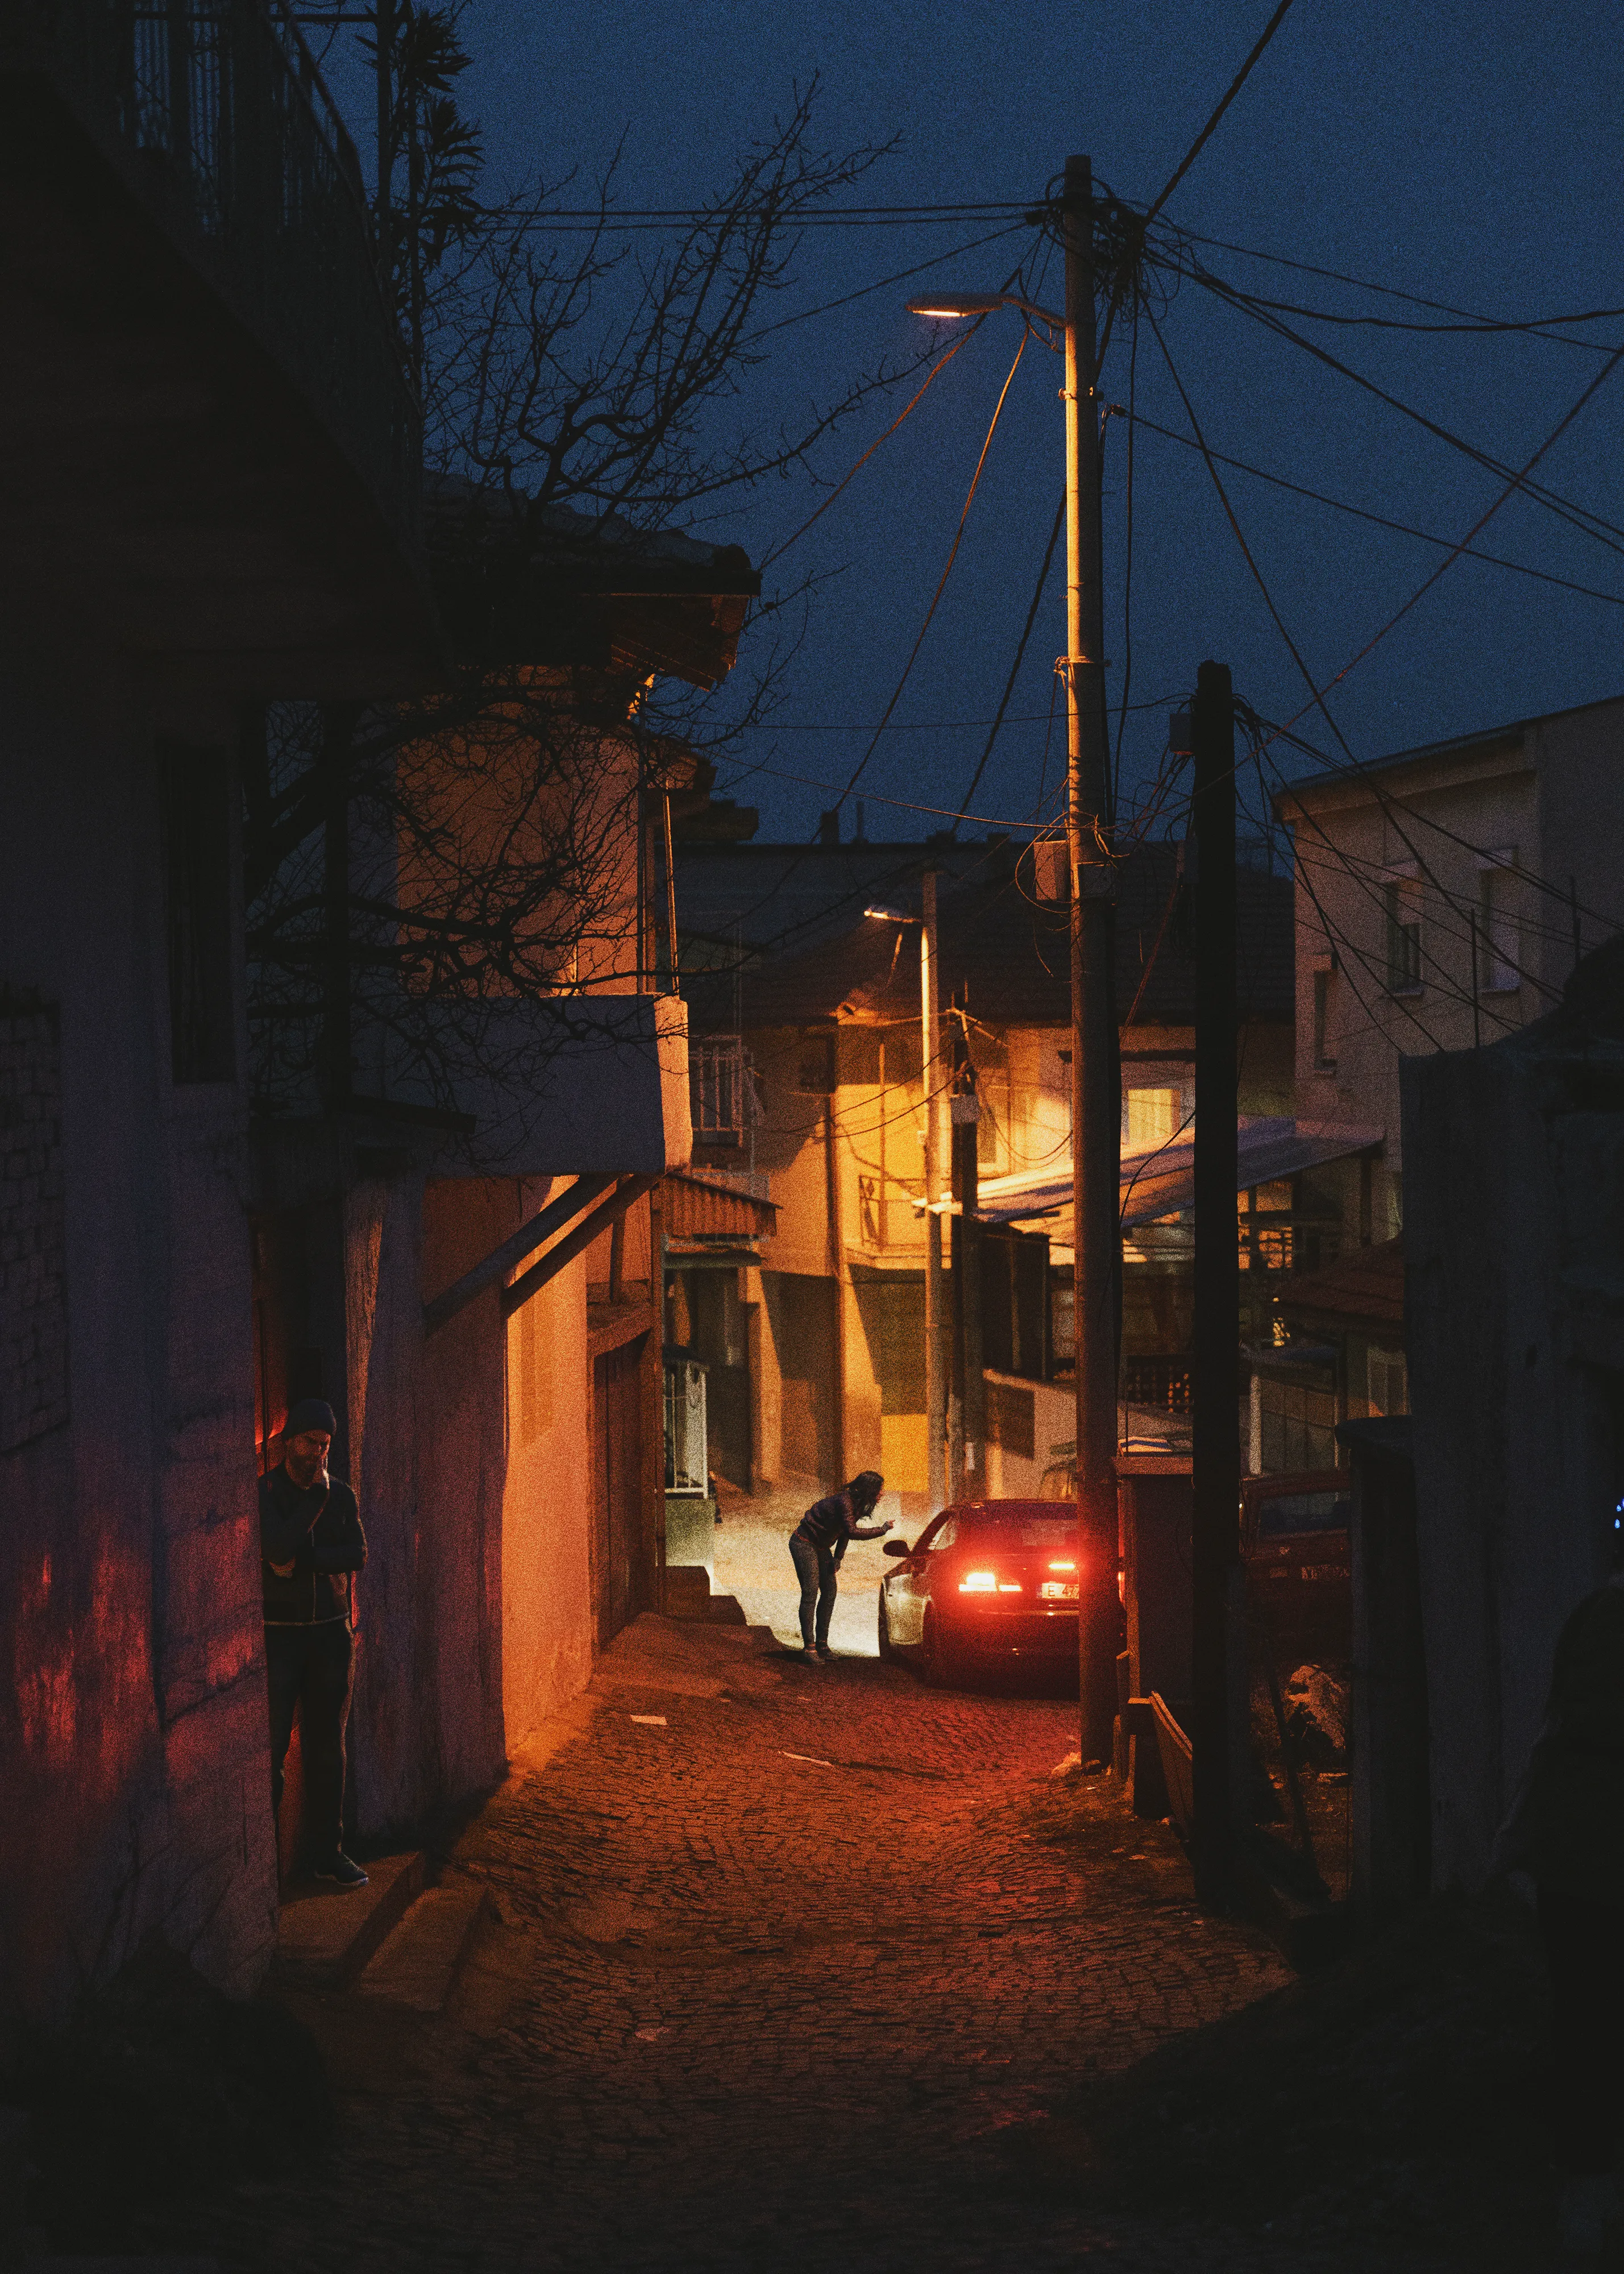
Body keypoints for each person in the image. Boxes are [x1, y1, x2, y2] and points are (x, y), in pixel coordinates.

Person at [1492, 1509, 1624, 2258]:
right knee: (1594, 2022)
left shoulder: (1589, 1618)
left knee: (1585, 2019)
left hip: (1573, 1856)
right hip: (1593, 1854)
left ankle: (1583, 2182)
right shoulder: (1604, 1623)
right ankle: (1587, 2183)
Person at [260, 1397, 369, 1889]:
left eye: (325, 1446)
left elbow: (358, 1554)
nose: (318, 1455)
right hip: (279, 1639)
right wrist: (309, 1507)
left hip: (329, 1633)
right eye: (310, 1443)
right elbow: (276, 1545)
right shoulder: (266, 1493)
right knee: (270, 1748)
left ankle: (329, 1852)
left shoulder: (341, 1496)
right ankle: (267, 1865)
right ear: (289, 1442)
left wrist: (304, 1563)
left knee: (328, 1748)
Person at [788, 1471, 890, 1661]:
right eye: (879, 1489)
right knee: (810, 1592)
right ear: (869, 1490)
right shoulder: (845, 1502)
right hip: (804, 1542)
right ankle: (809, 1648)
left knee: (830, 1592)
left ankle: (822, 1645)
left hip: (821, 1546)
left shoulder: (857, 1504)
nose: (882, 1493)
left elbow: (844, 1532)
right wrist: (882, 1530)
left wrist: (838, 1558)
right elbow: (851, 1531)